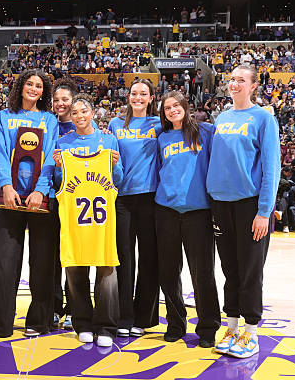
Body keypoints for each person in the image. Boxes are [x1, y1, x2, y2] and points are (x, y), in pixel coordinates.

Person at [207, 65, 280, 358]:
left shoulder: (264, 118)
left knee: (250, 270)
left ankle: (251, 331)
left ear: (253, 86)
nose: (234, 84)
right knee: (230, 269)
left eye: (241, 80)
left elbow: (271, 168)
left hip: (250, 206)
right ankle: (232, 327)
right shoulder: (222, 117)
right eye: (232, 79)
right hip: (220, 204)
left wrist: (264, 211)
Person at [0, 69, 58, 340]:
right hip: (9, 197)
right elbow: (0, 153)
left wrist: (40, 190)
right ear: (21, 87)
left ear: (44, 91)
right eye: (29, 84)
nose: (33, 89)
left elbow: (51, 157)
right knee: (3, 262)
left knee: (42, 262)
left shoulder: (49, 119)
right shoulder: (3, 117)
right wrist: (6, 185)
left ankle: (39, 320)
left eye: (39, 86)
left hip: (39, 199)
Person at [53, 94, 122, 347]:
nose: (80, 116)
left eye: (84, 111)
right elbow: (57, 182)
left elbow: (119, 181)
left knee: (106, 270)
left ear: (93, 113)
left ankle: (106, 325)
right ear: (69, 117)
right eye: (74, 112)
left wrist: (114, 166)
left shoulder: (108, 140)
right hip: (75, 218)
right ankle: (81, 322)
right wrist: (59, 167)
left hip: (103, 222)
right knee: (74, 268)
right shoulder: (63, 143)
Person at [155, 91, 220, 348]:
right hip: (166, 210)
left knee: (202, 273)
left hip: (198, 211)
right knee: (169, 272)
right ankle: (175, 323)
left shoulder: (206, 132)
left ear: (185, 106)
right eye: (167, 108)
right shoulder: (162, 137)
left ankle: (208, 326)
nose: (172, 110)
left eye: (176, 105)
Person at [107, 78, 163, 337]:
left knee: (149, 258)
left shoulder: (159, 124)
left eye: (143, 94)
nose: (138, 97)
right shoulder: (115, 124)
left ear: (151, 98)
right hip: (122, 198)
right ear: (127, 96)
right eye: (134, 93)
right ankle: (123, 316)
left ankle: (144, 317)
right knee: (124, 258)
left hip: (150, 197)